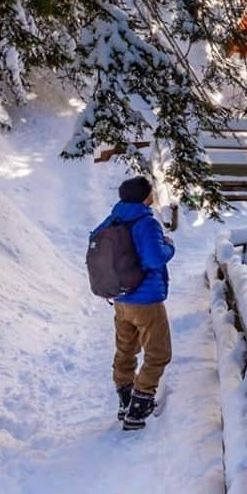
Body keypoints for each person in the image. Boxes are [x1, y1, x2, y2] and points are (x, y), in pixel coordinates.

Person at [93, 176, 176, 430]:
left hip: (121, 299)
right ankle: (139, 408)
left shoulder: (112, 219)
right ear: (144, 195)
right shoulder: (146, 222)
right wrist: (169, 247)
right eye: (150, 191)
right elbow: (153, 259)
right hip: (146, 300)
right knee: (158, 353)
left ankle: (125, 401)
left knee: (126, 349)